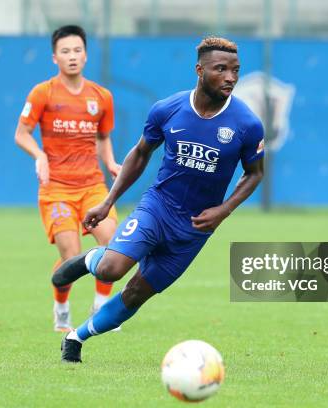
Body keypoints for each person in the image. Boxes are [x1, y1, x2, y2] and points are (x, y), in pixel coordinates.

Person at [53, 36, 265, 362]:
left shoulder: (247, 124)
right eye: (221, 69)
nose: (230, 78)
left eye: (235, 70)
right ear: (199, 70)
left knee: (137, 293)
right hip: (158, 207)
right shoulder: (168, 109)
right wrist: (108, 202)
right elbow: (140, 154)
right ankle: (89, 260)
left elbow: (254, 173)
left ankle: (76, 337)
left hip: (195, 228)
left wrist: (223, 211)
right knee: (111, 269)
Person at [14, 25, 121, 332]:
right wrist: (40, 155)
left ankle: (102, 308)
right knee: (71, 255)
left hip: (92, 186)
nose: (72, 56)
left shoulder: (101, 97)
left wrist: (111, 161)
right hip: (56, 190)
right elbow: (21, 134)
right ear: (54, 57)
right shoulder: (42, 93)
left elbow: (103, 137)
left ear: (85, 55)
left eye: (77, 50)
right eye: (65, 51)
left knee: (112, 246)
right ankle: (61, 306)